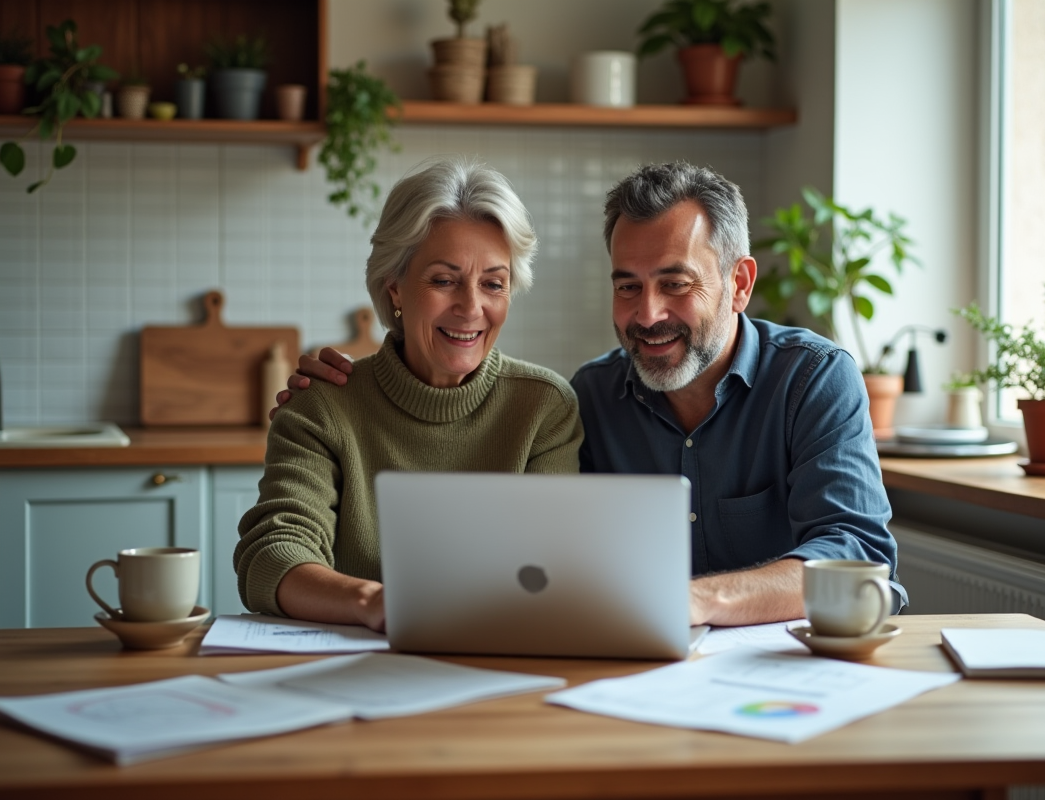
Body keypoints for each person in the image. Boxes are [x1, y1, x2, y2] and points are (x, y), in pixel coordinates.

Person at [280, 161, 905, 628]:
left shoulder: (814, 380)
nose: (648, 312)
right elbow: (550, 573)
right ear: (396, 288)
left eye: (675, 282)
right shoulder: (592, 398)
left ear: (739, 283)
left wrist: (698, 599)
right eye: (627, 286)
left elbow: (855, 553)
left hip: (788, 677)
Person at [236, 157, 583, 632]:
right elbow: (273, 555)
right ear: (395, 288)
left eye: (493, 284)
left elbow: (555, 569)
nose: (471, 307)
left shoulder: (544, 407)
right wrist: (374, 603)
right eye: (443, 280)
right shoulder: (322, 404)